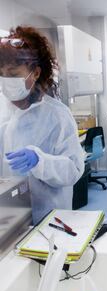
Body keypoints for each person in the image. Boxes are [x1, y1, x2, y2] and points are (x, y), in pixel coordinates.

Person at [0, 26, 84, 224]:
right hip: (10, 221)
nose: (5, 81)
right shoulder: (4, 112)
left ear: (36, 73)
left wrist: (40, 161)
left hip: (49, 221)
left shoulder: (57, 116)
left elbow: (73, 170)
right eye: (1, 74)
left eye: (13, 74)